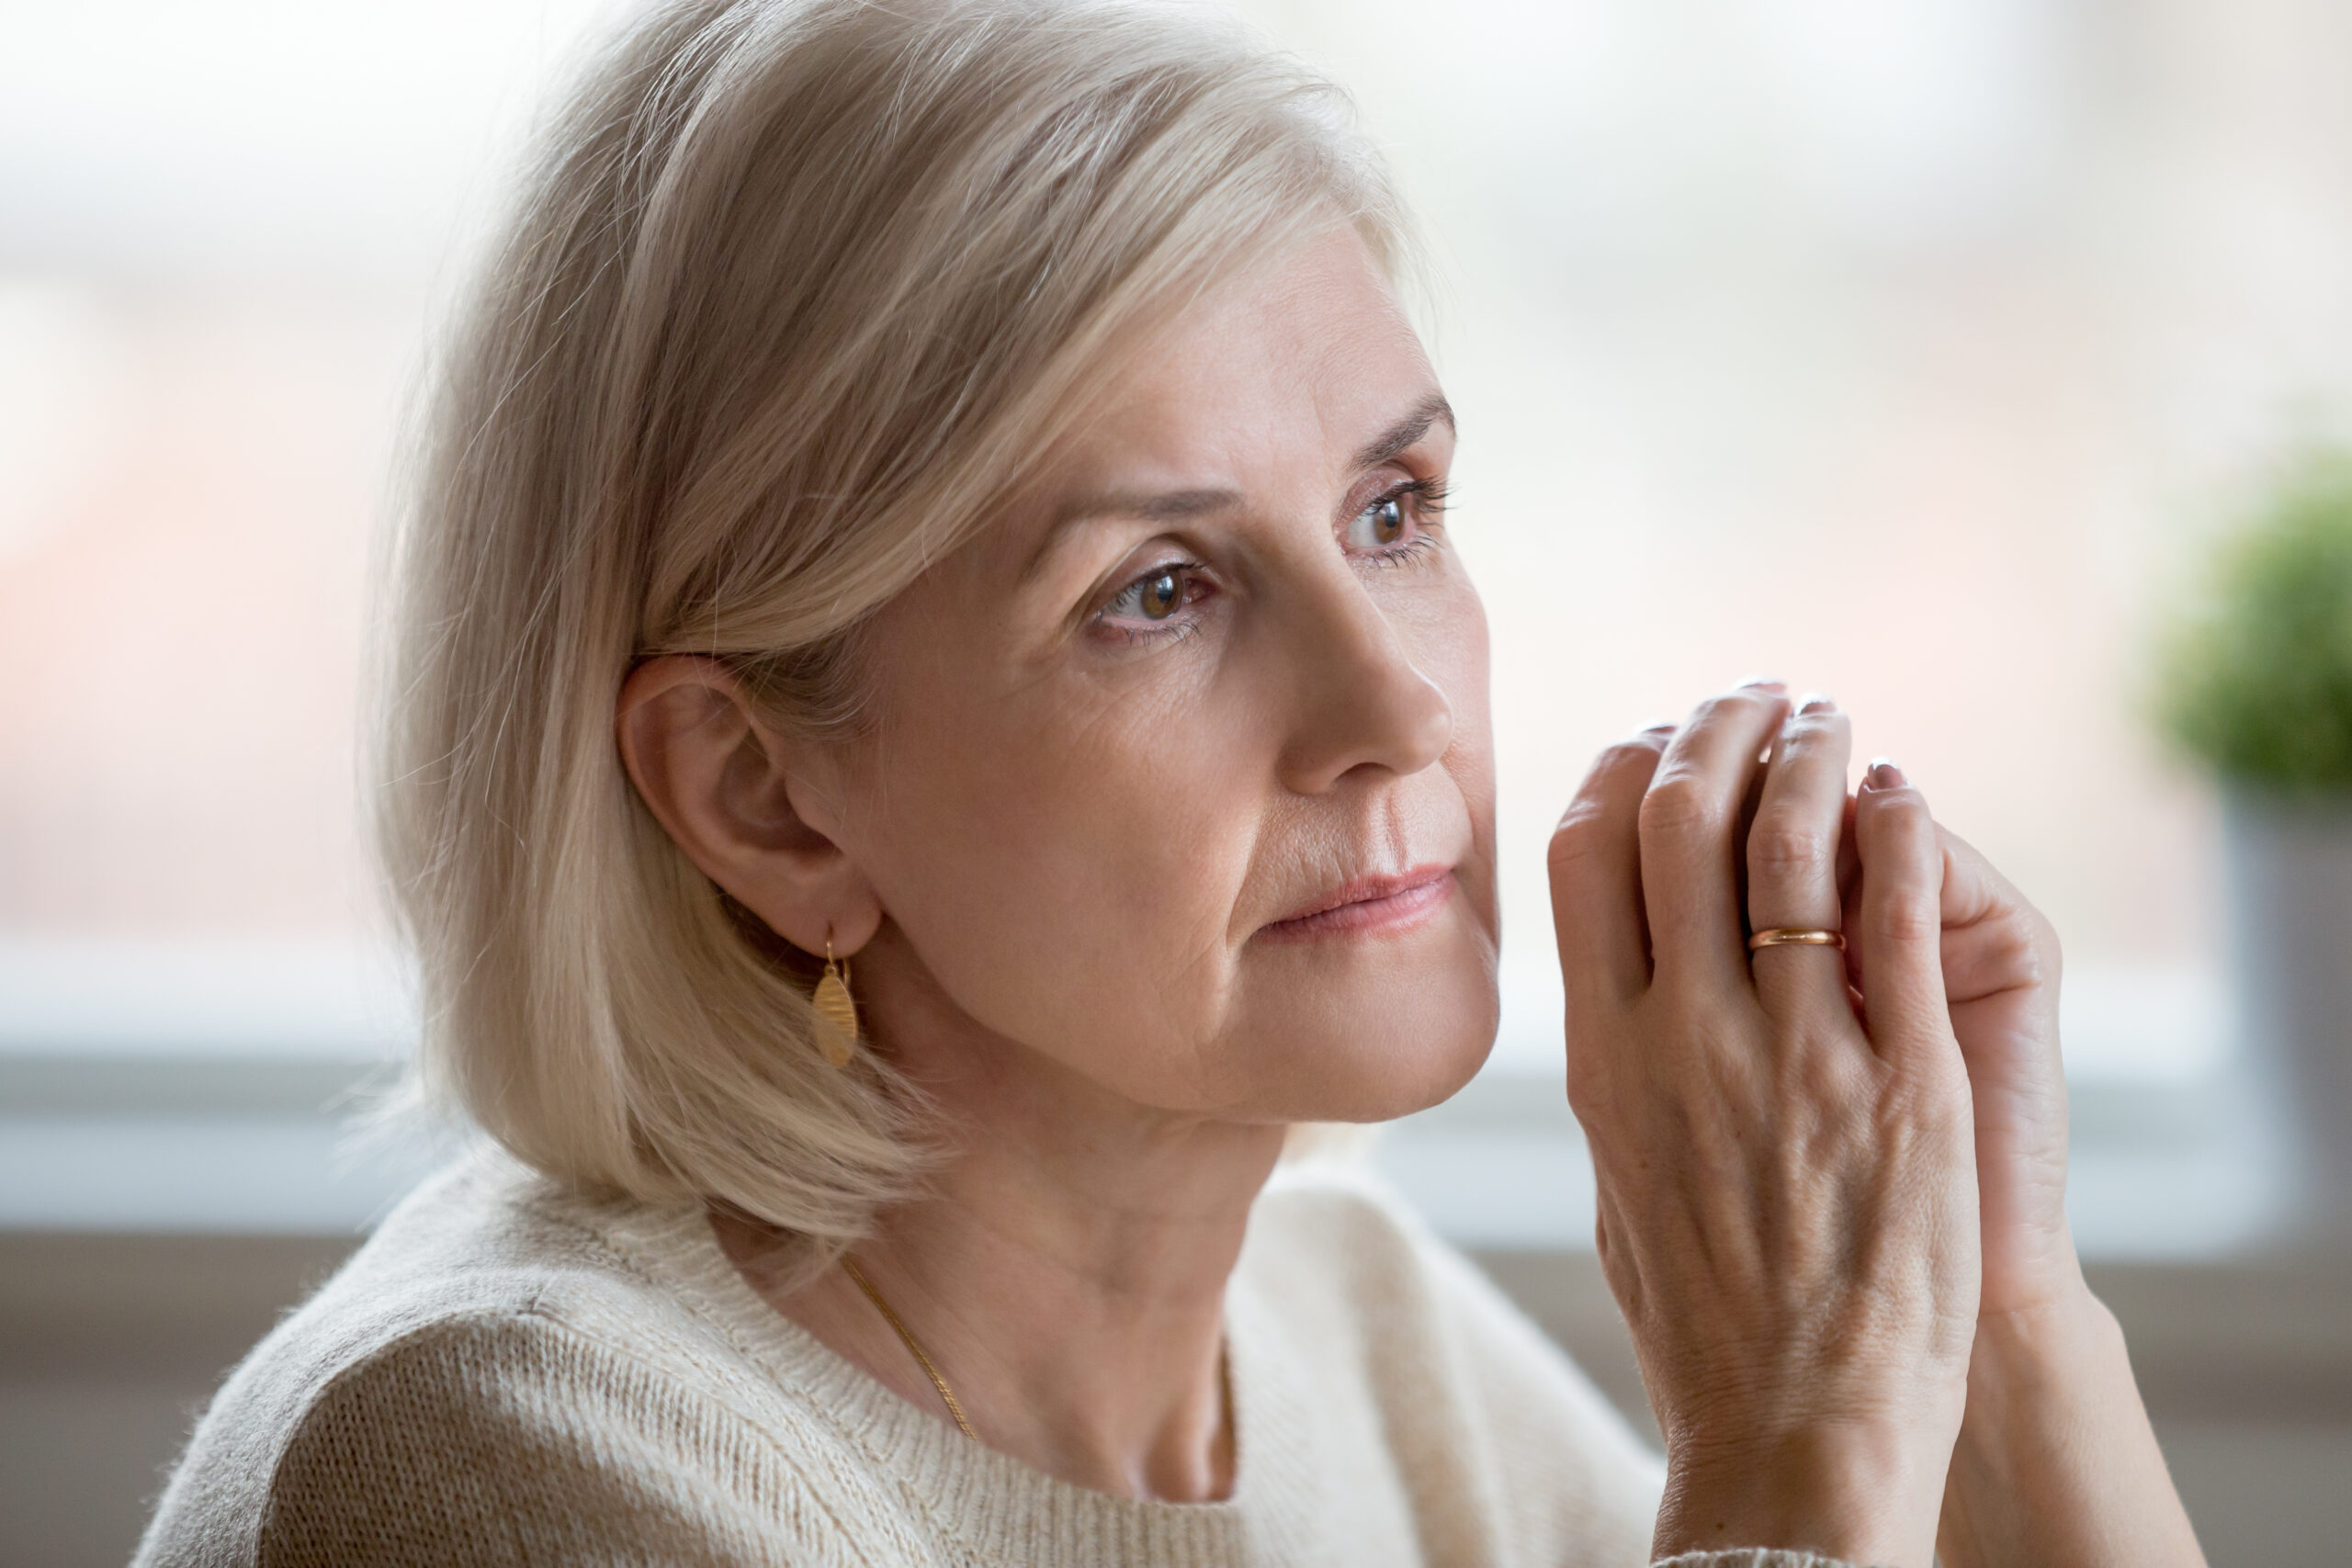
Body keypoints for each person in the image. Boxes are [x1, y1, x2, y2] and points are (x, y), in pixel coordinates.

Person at [135, 1, 2208, 1564]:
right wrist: (1795, 1407)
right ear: (763, 797)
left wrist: (1988, 1316)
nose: (1395, 705)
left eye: (1391, 506)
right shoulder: (485, 1461)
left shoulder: (1357, 1339)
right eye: (1156, 587)